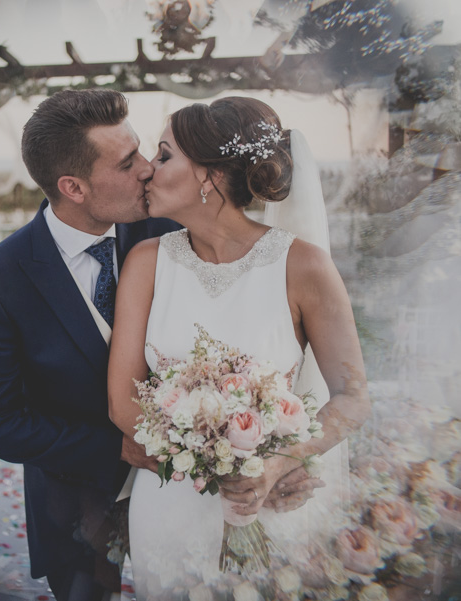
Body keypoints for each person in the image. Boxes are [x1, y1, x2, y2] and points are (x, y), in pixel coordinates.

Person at [107, 97, 371, 597]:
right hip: (170, 505)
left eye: (164, 155)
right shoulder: (146, 262)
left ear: (207, 175)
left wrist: (278, 462)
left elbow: (354, 397)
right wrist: (214, 459)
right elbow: (123, 403)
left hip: (270, 505)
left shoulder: (304, 266)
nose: (147, 171)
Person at [0, 88, 180, 601]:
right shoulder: (0, 278)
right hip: (74, 504)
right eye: (128, 163)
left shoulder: (172, 234)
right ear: (73, 187)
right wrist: (116, 448)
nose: (148, 169)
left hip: (183, 493)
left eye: (143, 151)